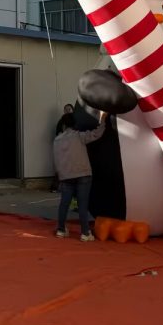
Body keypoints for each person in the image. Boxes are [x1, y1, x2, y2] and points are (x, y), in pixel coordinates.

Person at [53, 112, 106, 241]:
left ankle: (61, 229)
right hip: (83, 174)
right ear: (75, 123)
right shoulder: (79, 136)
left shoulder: (57, 140)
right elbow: (96, 134)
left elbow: (55, 160)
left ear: (64, 124)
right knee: (83, 204)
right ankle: (85, 233)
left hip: (65, 175)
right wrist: (103, 120)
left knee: (64, 204)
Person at [50, 103, 75, 193]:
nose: (67, 111)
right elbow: (58, 133)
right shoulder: (61, 121)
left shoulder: (76, 120)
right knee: (60, 167)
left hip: (74, 147)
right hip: (64, 147)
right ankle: (55, 186)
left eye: (69, 109)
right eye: (66, 109)